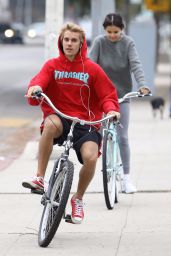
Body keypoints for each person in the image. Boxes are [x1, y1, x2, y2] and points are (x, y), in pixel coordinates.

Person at [22, 22, 120, 224]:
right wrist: (36, 88)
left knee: (91, 157)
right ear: (61, 41)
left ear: (81, 43)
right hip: (59, 117)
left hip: (86, 122)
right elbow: (39, 80)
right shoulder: (52, 65)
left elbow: (107, 95)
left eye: (74, 40)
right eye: (66, 39)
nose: (69, 44)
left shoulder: (92, 69)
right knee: (50, 125)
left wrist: (111, 109)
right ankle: (40, 177)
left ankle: (78, 198)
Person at [89, 13, 151, 194]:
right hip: (101, 95)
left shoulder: (128, 43)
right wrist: (85, 83)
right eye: (109, 31)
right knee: (98, 135)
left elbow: (136, 65)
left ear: (122, 29)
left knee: (122, 137)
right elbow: (91, 64)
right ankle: (101, 169)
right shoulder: (100, 42)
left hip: (122, 95)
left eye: (116, 31)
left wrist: (143, 85)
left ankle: (125, 179)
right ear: (104, 30)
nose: (112, 35)